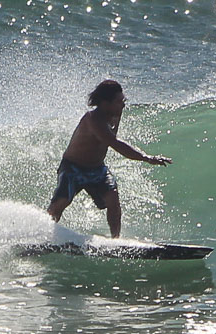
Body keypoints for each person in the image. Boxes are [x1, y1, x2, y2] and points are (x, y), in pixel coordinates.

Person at [46, 79, 172, 239]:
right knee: (61, 203)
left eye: (123, 101)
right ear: (105, 103)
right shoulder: (93, 119)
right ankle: (44, 235)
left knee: (113, 199)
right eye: (119, 101)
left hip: (97, 168)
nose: (123, 105)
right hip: (73, 168)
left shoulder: (115, 114)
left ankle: (115, 240)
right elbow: (115, 143)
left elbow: (113, 139)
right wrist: (146, 158)